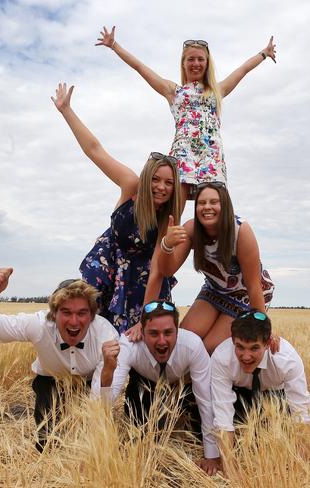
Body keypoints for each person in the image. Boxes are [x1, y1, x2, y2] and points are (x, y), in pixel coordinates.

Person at [52, 83, 181, 336]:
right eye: (155, 179)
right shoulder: (130, 184)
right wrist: (66, 110)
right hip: (108, 262)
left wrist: (143, 318)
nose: (161, 187)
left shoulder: (168, 217)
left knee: (143, 334)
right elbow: (95, 150)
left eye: (168, 183)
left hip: (143, 277)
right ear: (145, 179)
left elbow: (157, 268)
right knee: (87, 322)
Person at [96, 27, 277, 200]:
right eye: (191, 59)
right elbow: (140, 67)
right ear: (183, 64)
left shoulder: (217, 91)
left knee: (212, 208)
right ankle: (167, 234)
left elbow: (243, 69)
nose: (196, 63)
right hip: (183, 155)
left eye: (200, 59)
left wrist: (264, 54)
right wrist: (114, 46)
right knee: (174, 212)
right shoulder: (173, 91)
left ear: (207, 64)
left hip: (211, 156)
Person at [0, 268, 119, 452]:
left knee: (89, 439)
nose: (73, 321)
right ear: (53, 314)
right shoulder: (39, 325)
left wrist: (91, 446)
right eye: (66, 312)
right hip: (50, 383)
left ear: (92, 316)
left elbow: (99, 402)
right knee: (47, 445)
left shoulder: (106, 336)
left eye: (81, 313)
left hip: (89, 383)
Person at [100, 300, 221, 477]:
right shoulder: (128, 345)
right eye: (154, 333)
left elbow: (206, 401)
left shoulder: (192, 345)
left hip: (183, 386)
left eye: (168, 332)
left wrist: (212, 455)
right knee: (142, 437)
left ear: (178, 332)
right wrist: (107, 373)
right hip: (146, 385)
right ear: (141, 332)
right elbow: (106, 401)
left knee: (196, 432)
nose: (162, 340)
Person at [152, 182, 274, 354]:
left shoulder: (241, 232)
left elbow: (254, 285)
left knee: (210, 348)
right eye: (201, 203)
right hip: (215, 290)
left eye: (213, 202)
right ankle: (181, 380)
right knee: (185, 340)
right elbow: (167, 270)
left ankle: (201, 381)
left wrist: (263, 328)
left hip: (246, 295)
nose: (207, 207)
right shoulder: (192, 229)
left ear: (224, 205)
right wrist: (167, 244)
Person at [211, 310, 310, 472]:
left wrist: (299, 469)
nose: (246, 356)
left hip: (275, 398)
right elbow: (223, 416)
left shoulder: (286, 359)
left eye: (254, 348)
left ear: (268, 342)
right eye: (240, 347)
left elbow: (301, 415)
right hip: (240, 397)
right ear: (232, 340)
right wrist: (231, 472)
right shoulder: (222, 357)